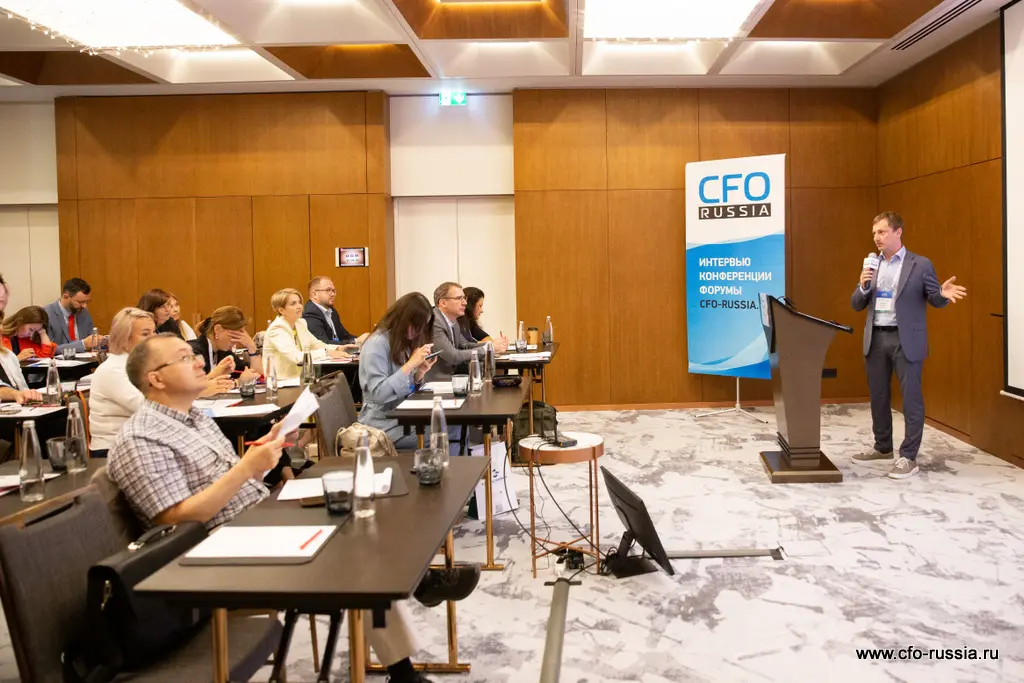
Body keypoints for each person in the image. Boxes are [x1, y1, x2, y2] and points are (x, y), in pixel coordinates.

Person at [108, 334, 478, 683]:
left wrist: (266, 454)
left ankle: (414, 603)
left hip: (256, 518)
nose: (200, 362)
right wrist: (246, 469)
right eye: (185, 358)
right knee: (353, 551)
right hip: (215, 549)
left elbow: (229, 482)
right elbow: (175, 521)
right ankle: (414, 616)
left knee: (358, 504)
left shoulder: (196, 417)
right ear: (156, 378)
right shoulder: (142, 437)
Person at [851, 211, 967, 480]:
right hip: (876, 338)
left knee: (911, 398)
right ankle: (882, 447)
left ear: (898, 232)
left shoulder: (920, 264)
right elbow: (856, 303)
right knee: (879, 396)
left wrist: (943, 294)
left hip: (906, 340)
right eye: (874, 233)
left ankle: (908, 456)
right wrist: (863, 285)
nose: (876, 237)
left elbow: (935, 298)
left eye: (882, 232)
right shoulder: (872, 265)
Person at [88, 307, 157, 456]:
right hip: (113, 449)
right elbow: (149, 409)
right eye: (146, 334)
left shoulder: (142, 365)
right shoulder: (113, 370)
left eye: (154, 332)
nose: (154, 339)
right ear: (125, 339)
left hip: (141, 443)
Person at [425, 282, 507, 382]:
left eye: (464, 298)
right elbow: (454, 356)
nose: (464, 303)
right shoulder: (434, 322)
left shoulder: (453, 320)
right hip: (436, 382)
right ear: (443, 303)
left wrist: (490, 345)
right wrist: (487, 349)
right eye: (459, 298)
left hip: (453, 378)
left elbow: (464, 345)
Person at [263, 288, 350, 380]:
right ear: (281, 310)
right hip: (281, 381)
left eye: (299, 302)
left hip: (302, 378)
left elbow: (316, 345)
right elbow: (295, 356)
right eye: (293, 304)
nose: (299, 306)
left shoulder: (300, 323)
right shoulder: (277, 328)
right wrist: (327, 353)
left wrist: (338, 348)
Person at [189, 306, 263, 379]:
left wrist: (252, 348)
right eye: (234, 336)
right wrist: (238, 382)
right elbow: (194, 385)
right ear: (217, 329)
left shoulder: (224, 352)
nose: (236, 342)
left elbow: (258, 376)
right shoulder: (192, 351)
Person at [303, 276, 367, 347]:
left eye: (333, 291)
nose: (333, 294)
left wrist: (364, 340)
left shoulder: (332, 311)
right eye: (328, 290)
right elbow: (324, 344)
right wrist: (355, 341)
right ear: (315, 294)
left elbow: (344, 336)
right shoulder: (310, 314)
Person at [44, 278, 102, 354]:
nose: (84, 306)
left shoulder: (83, 311)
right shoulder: (46, 314)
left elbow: (91, 338)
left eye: (86, 302)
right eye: (80, 302)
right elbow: (50, 349)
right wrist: (83, 345)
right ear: (65, 296)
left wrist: (100, 342)